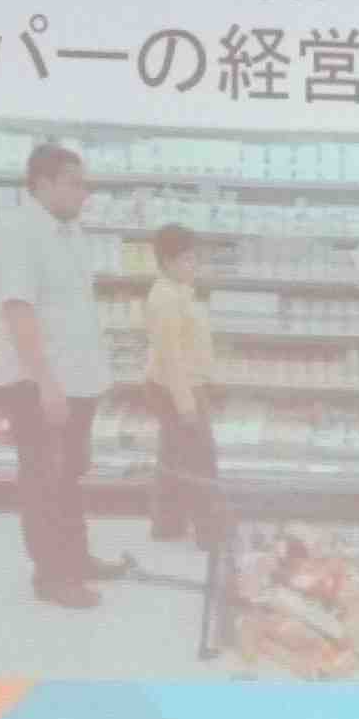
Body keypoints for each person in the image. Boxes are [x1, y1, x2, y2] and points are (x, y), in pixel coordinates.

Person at [0, 142, 126, 609]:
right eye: (74, 183)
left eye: (85, 184)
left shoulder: (71, 232)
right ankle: (51, 577)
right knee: (44, 481)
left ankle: (76, 559)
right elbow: (19, 311)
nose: (84, 192)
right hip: (39, 384)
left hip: (78, 381)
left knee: (68, 476)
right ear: (42, 183)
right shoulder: (17, 232)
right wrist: (46, 383)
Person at [143, 223, 219, 544]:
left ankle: (167, 524)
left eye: (195, 258)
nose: (194, 265)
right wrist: (186, 404)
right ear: (167, 262)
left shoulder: (179, 291)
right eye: (187, 259)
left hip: (176, 384)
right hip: (178, 387)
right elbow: (171, 357)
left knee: (173, 456)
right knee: (201, 459)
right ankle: (209, 531)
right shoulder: (166, 300)